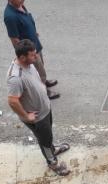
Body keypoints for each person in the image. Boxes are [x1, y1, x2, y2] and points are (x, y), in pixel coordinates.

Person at [7, 40, 71, 176]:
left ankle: (53, 150)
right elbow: (12, 101)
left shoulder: (29, 64)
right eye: (32, 55)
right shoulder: (15, 78)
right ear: (22, 57)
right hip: (38, 117)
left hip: (45, 109)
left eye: (35, 53)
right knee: (45, 141)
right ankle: (53, 163)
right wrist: (26, 116)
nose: (36, 57)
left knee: (48, 136)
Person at [3, 0, 60, 99]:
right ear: (10, 0)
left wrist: (34, 32)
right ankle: (43, 91)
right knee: (37, 70)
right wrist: (26, 55)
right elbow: (14, 38)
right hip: (29, 50)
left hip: (34, 44)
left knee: (41, 66)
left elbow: (26, 20)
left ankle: (43, 81)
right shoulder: (10, 16)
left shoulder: (20, 5)